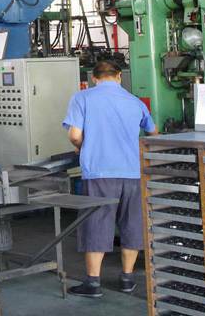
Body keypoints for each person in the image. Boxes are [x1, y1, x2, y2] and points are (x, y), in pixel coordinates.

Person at [62, 60, 157, 298]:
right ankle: (127, 279)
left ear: (94, 78)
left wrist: (83, 146)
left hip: (99, 172)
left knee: (96, 224)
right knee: (131, 224)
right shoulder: (135, 101)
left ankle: (93, 283)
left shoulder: (82, 98)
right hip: (133, 173)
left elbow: (74, 135)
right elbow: (153, 133)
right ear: (119, 77)